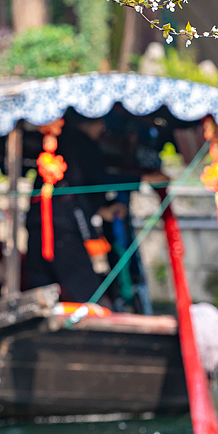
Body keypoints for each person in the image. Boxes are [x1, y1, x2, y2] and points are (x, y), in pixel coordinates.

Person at [25, 115, 128, 304]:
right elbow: (97, 180)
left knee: (40, 298)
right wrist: (141, 180)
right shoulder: (81, 143)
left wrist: (99, 208)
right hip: (61, 230)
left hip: (38, 226)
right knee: (91, 297)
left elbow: (79, 187)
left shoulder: (63, 145)